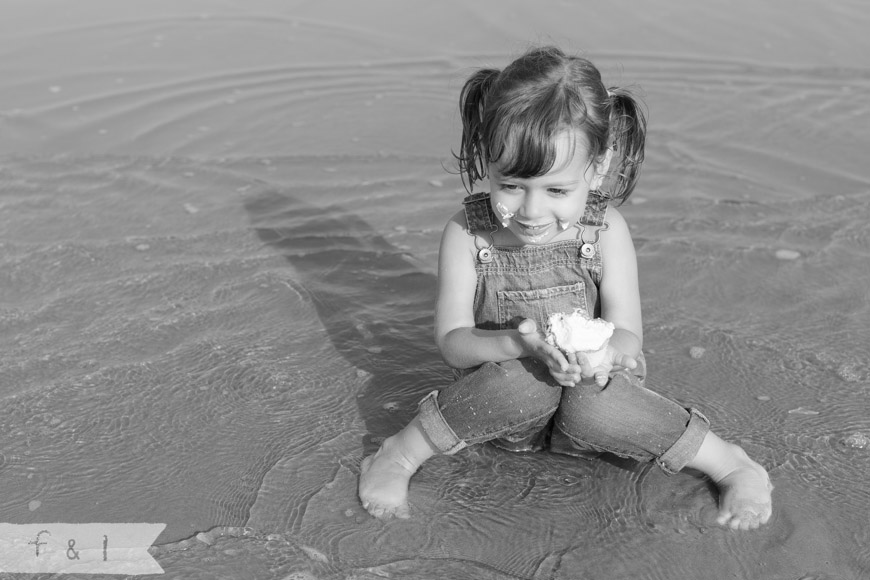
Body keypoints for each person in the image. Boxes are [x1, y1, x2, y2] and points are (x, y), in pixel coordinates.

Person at [358, 46, 772, 531]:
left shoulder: (606, 232)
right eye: (511, 185)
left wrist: (602, 356)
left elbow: (628, 338)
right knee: (521, 381)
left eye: (557, 190)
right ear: (486, 161)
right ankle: (400, 455)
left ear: (597, 168)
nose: (532, 212)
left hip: (593, 394)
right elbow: (453, 343)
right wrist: (519, 344)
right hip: (506, 405)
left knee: (597, 403)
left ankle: (730, 463)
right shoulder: (468, 233)